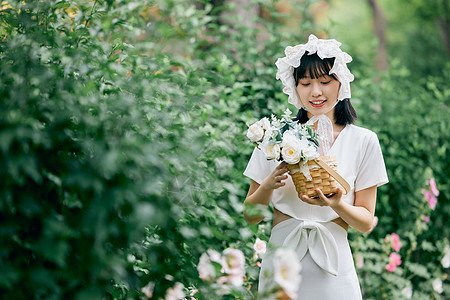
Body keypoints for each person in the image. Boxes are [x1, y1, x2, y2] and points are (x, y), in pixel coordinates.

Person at [243, 34, 389, 299]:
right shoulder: (276, 138)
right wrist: (269, 183)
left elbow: (366, 222)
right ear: (294, 87)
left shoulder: (364, 140)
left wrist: (337, 204)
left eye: (325, 81)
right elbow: (251, 215)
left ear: (340, 84)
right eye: (306, 83)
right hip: (282, 263)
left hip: (334, 267)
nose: (316, 92)